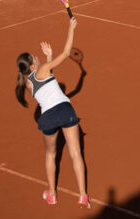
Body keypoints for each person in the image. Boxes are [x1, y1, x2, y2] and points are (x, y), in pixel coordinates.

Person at [15, 17, 90, 208]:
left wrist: (48, 57)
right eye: (35, 57)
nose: (37, 57)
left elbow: (48, 84)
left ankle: (52, 195)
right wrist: (71, 28)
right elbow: (65, 53)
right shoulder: (43, 70)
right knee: (75, 153)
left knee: (50, 154)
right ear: (32, 65)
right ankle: (83, 196)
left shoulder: (28, 84)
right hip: (65, 110)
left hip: (48, 117)